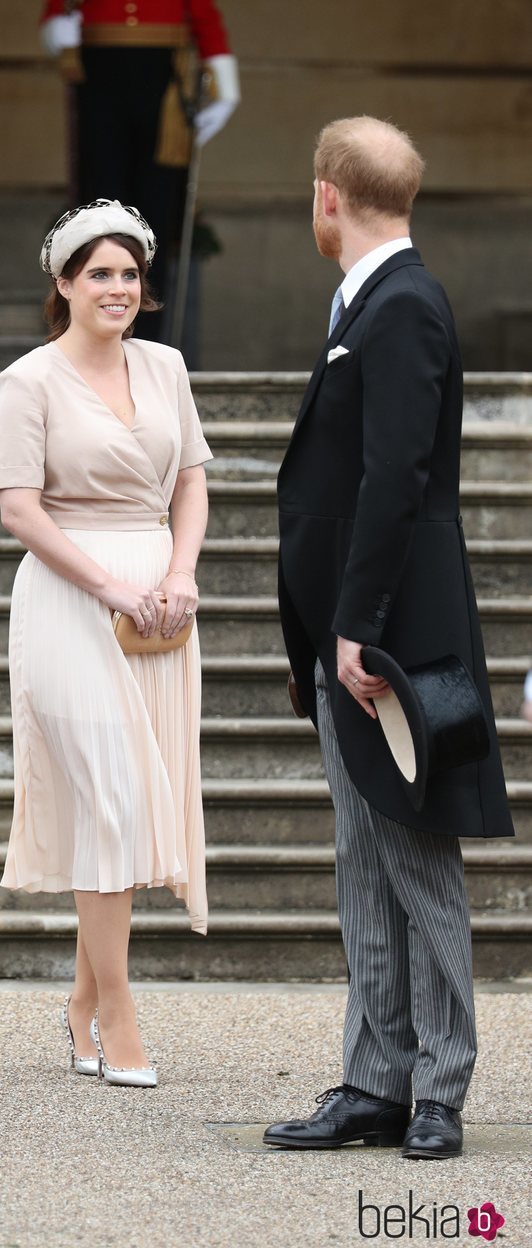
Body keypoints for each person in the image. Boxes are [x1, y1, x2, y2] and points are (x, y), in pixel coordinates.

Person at [265, 118, 514, 1159]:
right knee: (362, 860)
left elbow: (394, 479)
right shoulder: (368, 301)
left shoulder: (400, 305)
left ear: (328, 196)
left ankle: (437, 1089)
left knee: (416, 858)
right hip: (347, 632)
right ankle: (373, 1081)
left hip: (387, 635)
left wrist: (358, 628)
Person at [0, 199, 211, 1086]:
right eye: (99, 275)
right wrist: (112, 584)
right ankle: (119, 1016)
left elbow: (191, 483)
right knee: (112, 800)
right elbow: (18, 508)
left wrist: (182, 573)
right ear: (64, 284)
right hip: (69, 602)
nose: (117, 289)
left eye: (128, 274)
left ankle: (83, 1002)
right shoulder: (28, 381)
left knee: (128, 808)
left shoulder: (166, 367)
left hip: (162, 603)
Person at [40, 1, 239, 342]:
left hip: (161, 81)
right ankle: (93, 332)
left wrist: (225, 85)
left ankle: (148, 336)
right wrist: (58, 27)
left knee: (156, 216)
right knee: (98, 211)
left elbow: (202, 14)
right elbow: (58, 11)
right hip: (101, 76)